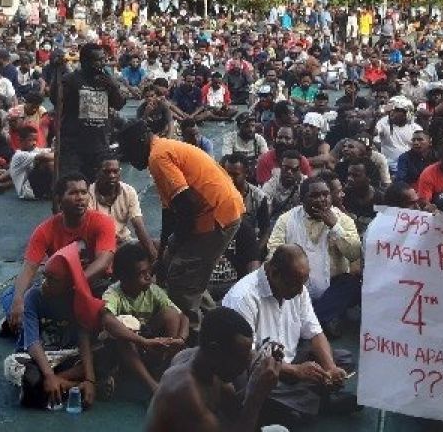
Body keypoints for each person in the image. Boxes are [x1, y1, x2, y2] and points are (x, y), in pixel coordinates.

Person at [118, 114, 244, 327]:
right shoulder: (162, 150)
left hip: (215, 216)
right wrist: (163, 254)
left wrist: (175, 245)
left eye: (129, 152)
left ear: (140, 141)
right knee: (186, 274)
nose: (129, 159)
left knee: (180, 280)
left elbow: (187, 207)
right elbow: (170, 212)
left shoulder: (158, 157)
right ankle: (216, 325)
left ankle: (194, 335)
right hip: (221, 212)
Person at [221, 245, 356, 427]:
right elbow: (248, 358)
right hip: (259, 371)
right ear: (275, 273)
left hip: (289, 362)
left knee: (342, 359)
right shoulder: (243, 298)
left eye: (303, 283)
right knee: (259, 386)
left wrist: (330, 368)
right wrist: (297, 371)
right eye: (295, 284)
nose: (301, 291)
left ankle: (303, 402)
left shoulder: (296, 287)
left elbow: (315, 332)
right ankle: (319, 402)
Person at [2, 173, 117, 335]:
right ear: (59, 199)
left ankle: (43, 323)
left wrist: (74, 284)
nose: (80, 198)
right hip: (61, 287)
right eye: (73, 193)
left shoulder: (102, 222)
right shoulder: (45, 230)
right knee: (13, 295)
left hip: (96, 285)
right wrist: (18, 300)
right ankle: (27, 322)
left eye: (84, 192)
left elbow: (104, 261)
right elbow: (29, 267)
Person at [145, 306, 281, 432]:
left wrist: (257, 378)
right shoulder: (186, 395)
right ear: (215, 350)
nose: (246, 364)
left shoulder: (206, 365)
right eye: (240, 358)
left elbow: (233, 409)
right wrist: (256, 397)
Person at [13, 242, 105, 410]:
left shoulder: (77, 298)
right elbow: (32, 342)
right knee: (23, 375)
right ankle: (73, 386)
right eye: (44, 276)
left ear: (69, 284)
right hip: (39, 357)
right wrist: (48, 374)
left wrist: (90, 378)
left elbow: (83, 338)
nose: (45, 283)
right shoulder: (33, 296)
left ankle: (63, 382)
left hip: (69, 358)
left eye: (53, 280)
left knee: (104, 356)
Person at [267, 175, 362, 333]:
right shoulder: (286, 220)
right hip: (295, 287)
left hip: (332, 289)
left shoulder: (343, 220)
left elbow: (354, 253)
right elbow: (273, 255)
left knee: (350, 284)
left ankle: (307, 322)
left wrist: (335, 227)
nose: (321, 200)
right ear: (302, 199)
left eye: (325, 194)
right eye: (314, 196)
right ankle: (323, 321)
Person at [101, 243, 188, 393]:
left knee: (170, 313)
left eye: (149, 271)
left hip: (149, 342)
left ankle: (164, 372)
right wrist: (143, 341)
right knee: (124, 337)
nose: (149, 277)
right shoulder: (113, 294)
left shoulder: (153, 290)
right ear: (124, 278)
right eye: (142, 274)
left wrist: (180, 338)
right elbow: (107, 320)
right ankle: (152, 386)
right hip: (124, 350)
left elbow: (182, 316)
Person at [57, 42, 125, 181]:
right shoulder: (71, 80)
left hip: (99, 145)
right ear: (85, 62)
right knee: (72, 184)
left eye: (103, 59)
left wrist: (112, 86)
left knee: (98, 188)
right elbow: (56, 102)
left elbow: (119, 104)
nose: (102, 64)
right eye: (97, 60)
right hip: (74, 146)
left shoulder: (106, 80)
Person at [89, 158, 156, 257]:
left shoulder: (129, 191)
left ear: (120, 172)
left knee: (157, 245)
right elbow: (91, 228)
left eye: (115, 171)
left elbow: (138, 225)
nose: (112, 176)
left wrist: (153, 255)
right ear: (99, 173)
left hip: (124, 241)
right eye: (107, 172)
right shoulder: (89, 193)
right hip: (101, 245)